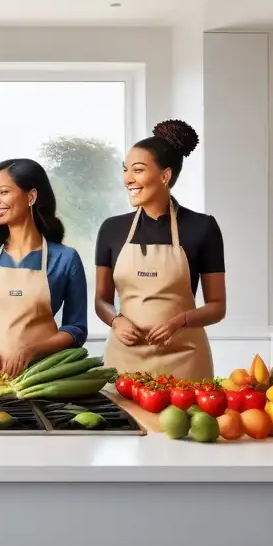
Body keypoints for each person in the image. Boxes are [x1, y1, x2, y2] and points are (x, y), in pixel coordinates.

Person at [94, 119, 226, 381]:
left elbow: (217, 306)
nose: (128, 179)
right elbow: (101, 300)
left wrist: (179, 322)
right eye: (126, 170)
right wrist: (116, 321)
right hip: (124, 361)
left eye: (138, 170)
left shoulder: (202, 227)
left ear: (165, 176)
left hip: (185, 361)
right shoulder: (112, 229)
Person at [0, 158, 88, 389]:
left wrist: (31, 351)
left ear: (31, 197)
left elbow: (76, 329)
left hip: (40, 380)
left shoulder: (65, 258)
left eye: (3, 192)